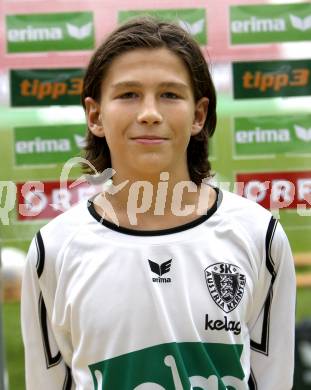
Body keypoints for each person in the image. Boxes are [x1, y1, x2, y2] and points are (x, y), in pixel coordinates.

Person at [21, 17, 296, 389]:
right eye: (128, 94)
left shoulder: (258, 236)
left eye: (170, 94)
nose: (149, 113)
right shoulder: (53, 249)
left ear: (199, 114)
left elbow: (273, 378)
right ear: (95, 115)